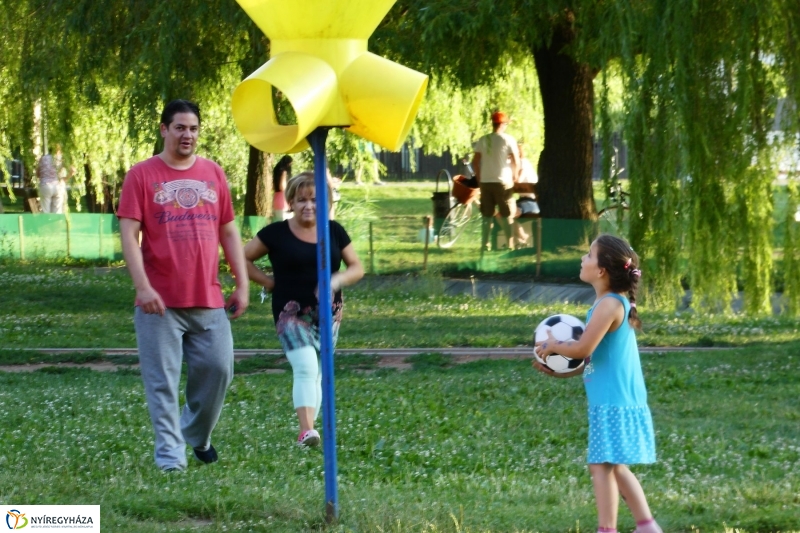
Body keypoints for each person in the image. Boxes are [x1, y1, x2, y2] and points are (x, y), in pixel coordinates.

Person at [117, 99, 250, 472]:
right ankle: (170, 460)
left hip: (208, 298)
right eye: (180, 128)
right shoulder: (141, 176)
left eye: (193, 128)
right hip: (158, 301)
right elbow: (129, 235)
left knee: (219, 370)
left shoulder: (213, 173)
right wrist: (142, 287)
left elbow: (228, 230)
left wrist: (241, 283)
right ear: (164, 129)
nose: (187, 135)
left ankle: (196, 435)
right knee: (162, 384)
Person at [534, 234, 662, 533]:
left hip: (614, 400)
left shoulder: (608, 306)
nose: (583, 259)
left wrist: (554, 345)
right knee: (613, 465)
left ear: (602, 269)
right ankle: (646, 526)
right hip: (613, 397)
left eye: (589, 255)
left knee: (601, 465)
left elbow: (581, 350)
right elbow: (595, 361)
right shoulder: (608, 304)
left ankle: (607, 529)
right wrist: (562, 372)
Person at [243, 172, 364, 447]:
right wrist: (267, 282)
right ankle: (305, 430)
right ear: (291, 202)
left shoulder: (334, 231)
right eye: (301, 200)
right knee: (306, 367)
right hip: (290, 313)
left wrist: (336, 280)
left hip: (328, 313)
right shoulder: (275, 234)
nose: (308, 205)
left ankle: (309, 433)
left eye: (315, 200)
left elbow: (356, 268)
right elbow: (242, 256)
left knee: (319, 372)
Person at [471, 111, 520, 251]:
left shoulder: (483, 140)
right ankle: (510, 245)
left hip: (486, 182)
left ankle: (484, 244)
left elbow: (475, 162)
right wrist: (515, 176)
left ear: (492, 124)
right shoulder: (508, 140)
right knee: (507, 215)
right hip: (503, 182)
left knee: (487, 216)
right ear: (503, 125)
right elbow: (516, 161)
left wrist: (480, 178)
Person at [513, 142, 539, 245]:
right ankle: (520, 239)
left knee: (508, 214)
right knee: (501, 215)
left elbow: (517, 181)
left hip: (531, 202)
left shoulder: (523, 163)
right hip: (522, 201)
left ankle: (522, 237)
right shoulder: (516, 165)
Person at [272, 155, 293, 222]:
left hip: (276, 199)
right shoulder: (284, 172)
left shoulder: (276, 171)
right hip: (283, 201)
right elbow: (282, 186)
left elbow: (273, 187)